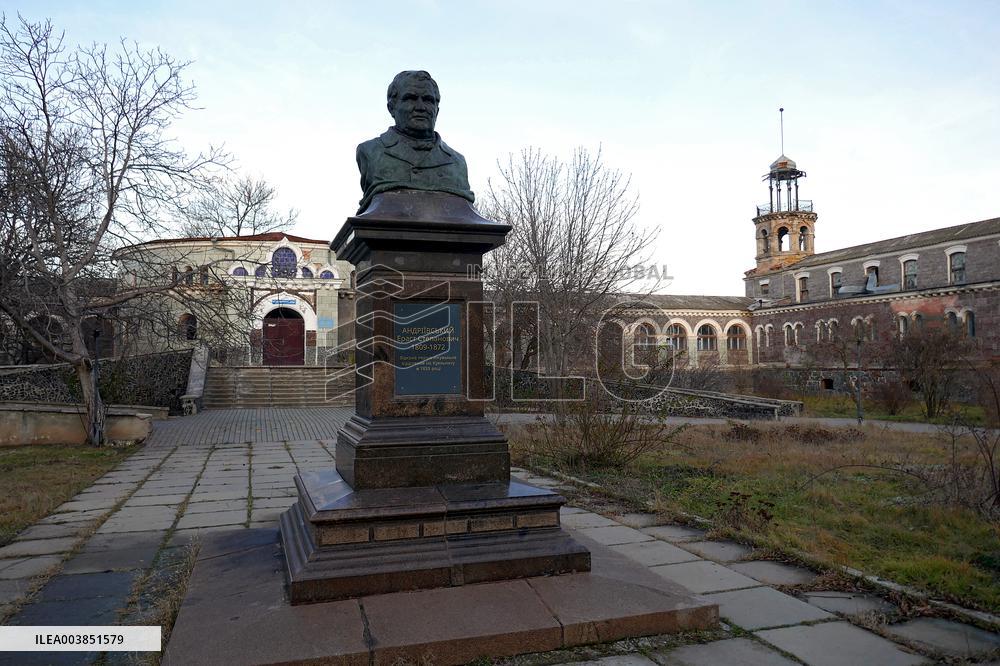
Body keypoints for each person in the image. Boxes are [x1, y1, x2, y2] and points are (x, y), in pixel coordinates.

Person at [355, 70, 475, 213]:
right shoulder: (370, 151)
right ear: (391, 108)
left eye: (428, 100)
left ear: (437, 109)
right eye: (411, 98)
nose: (421, 107)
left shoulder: (457, 162)